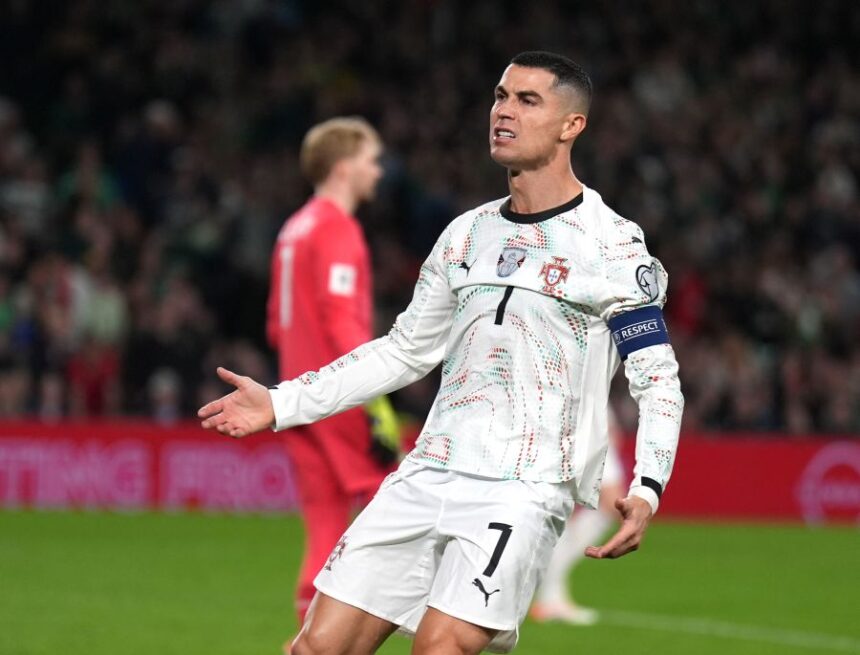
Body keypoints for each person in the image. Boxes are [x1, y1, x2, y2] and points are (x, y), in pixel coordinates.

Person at [199, 51, 684, 655]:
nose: (504, 112)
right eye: (500, 97)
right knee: (314, 648)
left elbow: (657, 380)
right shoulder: (467, 234)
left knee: (440, 647)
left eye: (527, 101)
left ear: (571, 126)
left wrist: (649, 484)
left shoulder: (612, 245)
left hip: (523, 485)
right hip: (429, 469)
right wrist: (282, 402)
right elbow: (405, 351)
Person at [265, 117, 400, 626]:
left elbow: (276, 325)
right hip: (337, 395)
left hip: (294, 395)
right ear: (344, 168)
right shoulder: (336, 229)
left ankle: (307, 637)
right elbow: (342, 323)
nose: (379, 171)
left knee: (324, 522)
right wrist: (378, 401)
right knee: (399, 505)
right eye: (371, 159)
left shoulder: (293, 228)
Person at [531, 407, 626, 625]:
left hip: (584, 431)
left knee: (572, 511)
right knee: (610, 505)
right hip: (584, 433)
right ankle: (550, 597)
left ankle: (551, 594)